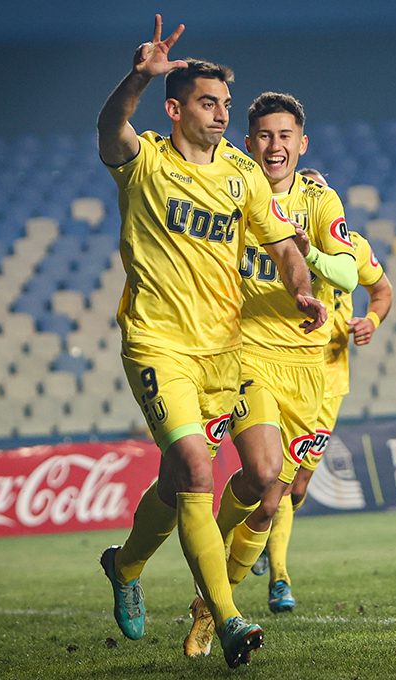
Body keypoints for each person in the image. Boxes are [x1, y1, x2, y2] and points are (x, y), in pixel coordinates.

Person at [95, 17, 326, 669]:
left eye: (227, 104)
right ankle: (225, 616)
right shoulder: (144, 161)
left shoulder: (242, 174)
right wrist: (137, 76)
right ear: (173, 108)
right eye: (207, 102)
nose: (222, 114)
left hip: (230, 354)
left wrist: (302, 287)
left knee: (257, 475)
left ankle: (125, 564)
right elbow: (108, 128)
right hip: (159, 346)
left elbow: (284, 243)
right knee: (197, 469)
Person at [183, 93, 358, 658]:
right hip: (246, 354)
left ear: (301, 144)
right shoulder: (231, 190)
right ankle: (217, 582)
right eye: (263, 135)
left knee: (269, 501)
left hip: (308, 368)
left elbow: (351, 273)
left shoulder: (317, 198)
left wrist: (313, 258)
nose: (274, 146)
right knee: (260, 476)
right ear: (248, 140)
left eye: (285, 137)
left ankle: (211, 604)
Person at [251, 168, 393, 611]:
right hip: (276, 365)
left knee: (296, 486)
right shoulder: (271, 241)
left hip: (329, 381)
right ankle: (280, 578)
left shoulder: (351, 247)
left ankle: (259, 534)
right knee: (276, 477)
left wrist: (370, 320)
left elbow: (381, 290)